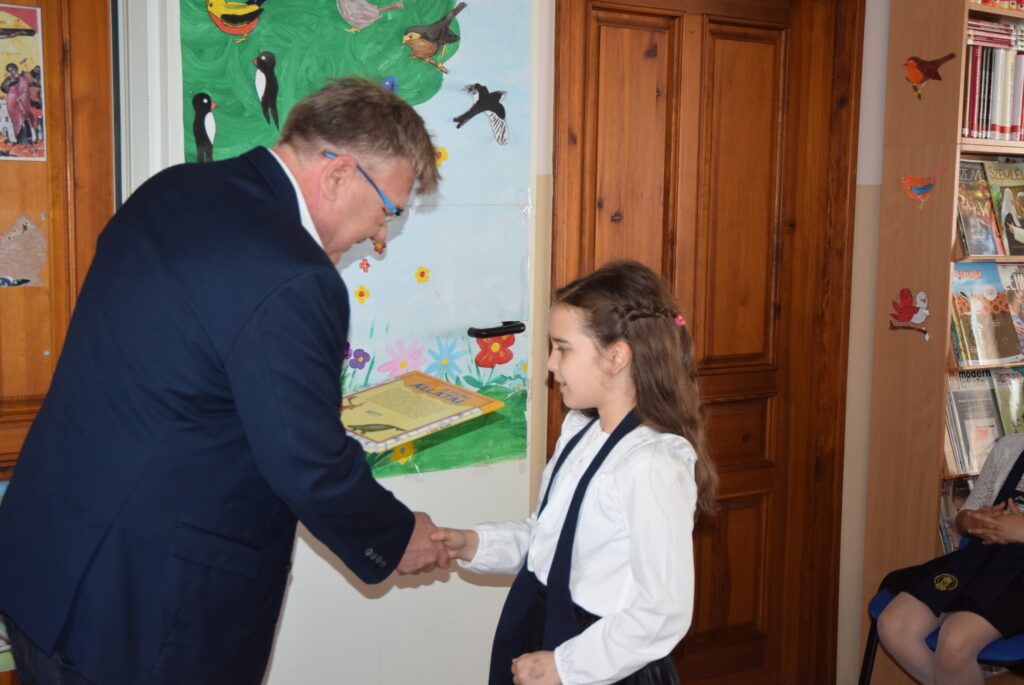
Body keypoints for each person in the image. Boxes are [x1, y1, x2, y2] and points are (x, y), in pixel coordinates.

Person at [0, 77, 449, 685]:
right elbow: (307, 464)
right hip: (142, 613)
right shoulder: (294, 275)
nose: (378, 237)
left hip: (48, 563)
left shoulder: (172, 190)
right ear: (339, 174)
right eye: (386, 212)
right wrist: (396, 538)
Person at [433, 261, 719, 685]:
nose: (551, 363)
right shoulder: (579, 432)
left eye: (563, 348)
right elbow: (549, 543)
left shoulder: (652, 465)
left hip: (602, 661)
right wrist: (474, 543)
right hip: (545, 632)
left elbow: (662, 611)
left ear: (616, 357)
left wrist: (566, 666)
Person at [877, 433, 1024, 685]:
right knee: (894, 626)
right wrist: (975, 521)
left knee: (955, 644)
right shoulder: (1011, 447)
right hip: (981, 560)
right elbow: (965, 516)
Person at [1, 63, 35, 145]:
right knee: (15, 121)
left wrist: (20, 98)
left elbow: (26, 91)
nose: (11, 72)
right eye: (9, 71)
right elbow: (3, 88)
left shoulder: (22, 79)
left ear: (16, 68)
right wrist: (9, 83)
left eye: (12, 69)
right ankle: (19, 140)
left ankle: (28, 140)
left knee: (23, 120)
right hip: (11, 102)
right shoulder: (9, 78)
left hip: (21, 102)